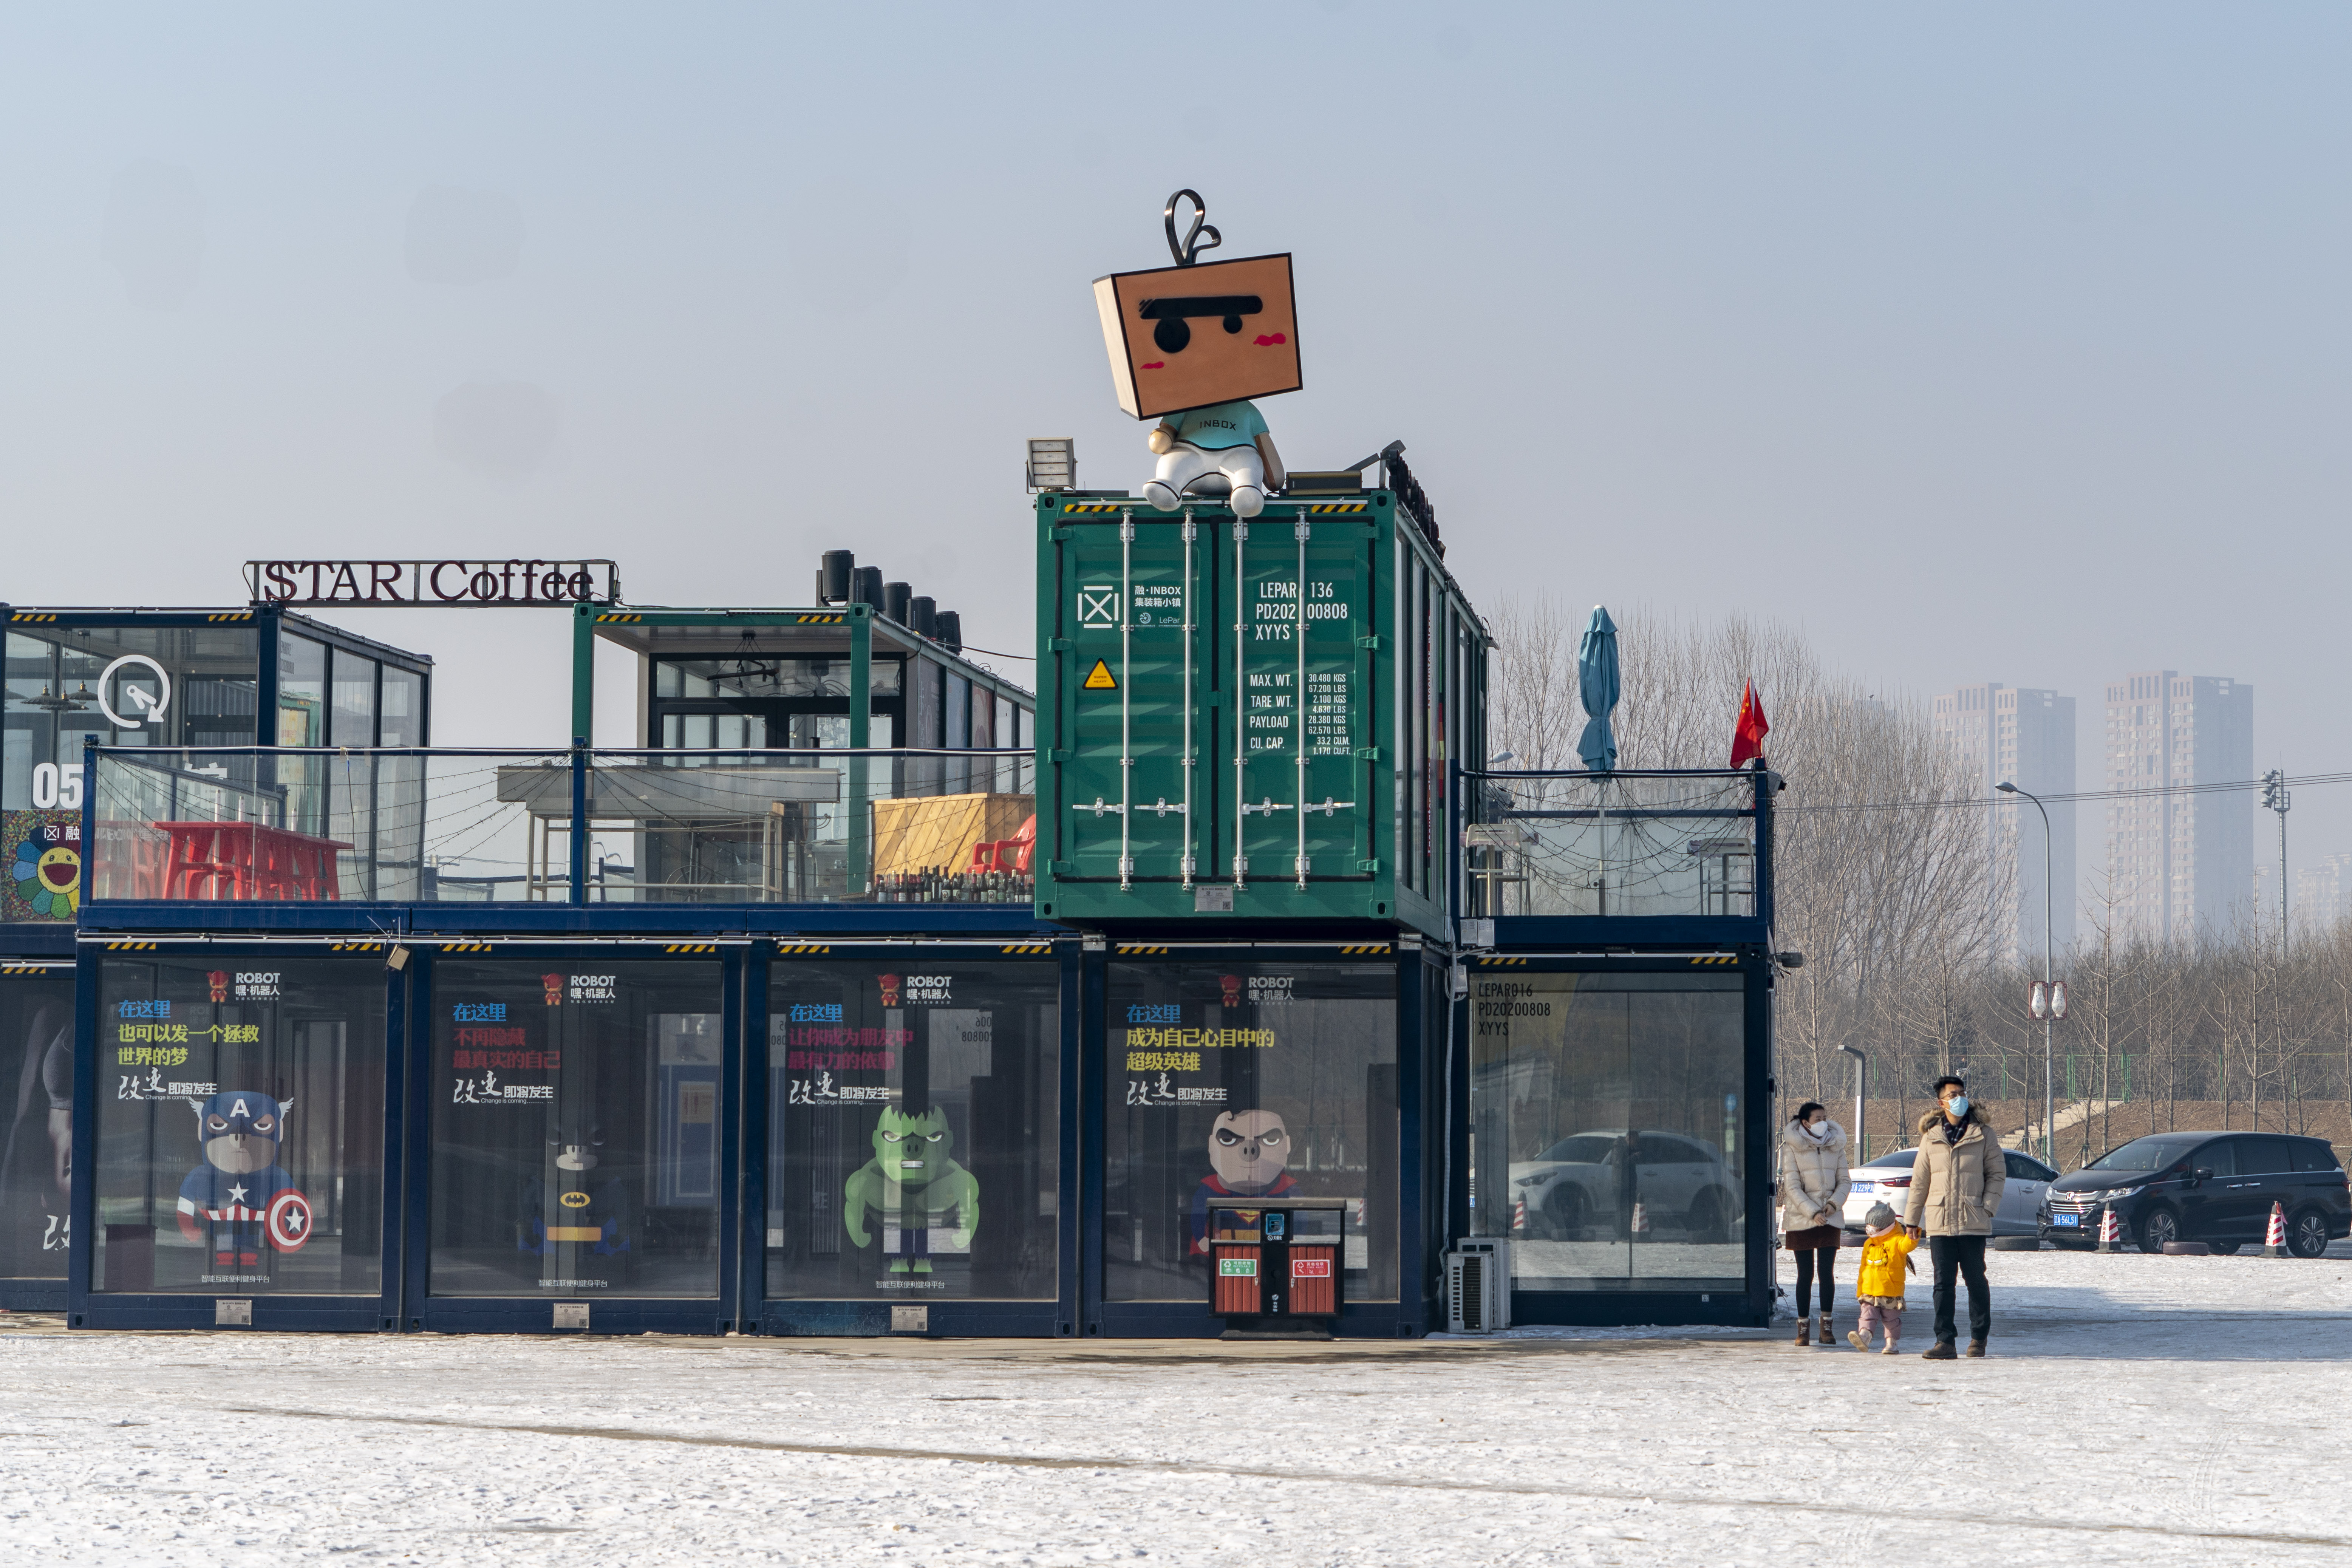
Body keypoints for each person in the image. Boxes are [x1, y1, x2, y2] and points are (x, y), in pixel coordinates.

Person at [1904, 1074, 2004, 1359]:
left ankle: (1978, 1338)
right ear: (1940, 1102)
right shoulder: (1931, 1137)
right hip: (1940, 1221)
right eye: (1952, 1095)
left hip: (1973, 1219)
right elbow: (1920, 1181)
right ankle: (1944, 1342)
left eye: (1961, 1093)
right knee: (1942, 1284)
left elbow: (1997, 1174)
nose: (1958, 1099)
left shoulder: (1983, 1133)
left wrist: (1987, 1207)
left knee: (1975, 1281)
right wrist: (1912, 1221)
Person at [1778, 1101, 1849, 1348]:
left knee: (1826, 1273)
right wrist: (1811, 1212)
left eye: (1825, 1118)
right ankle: (1803, 1329)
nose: (1823, 1122)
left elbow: (1844, 1181)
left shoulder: (1835, 1145)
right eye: (1818, 1119)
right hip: (1801, 1219)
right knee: (1804, 1274)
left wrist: (1832, 1205)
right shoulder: (1791, 1148)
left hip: (1830, 1217)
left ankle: (1826, 1328)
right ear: (1805, 1122)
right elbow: (1792, 1186)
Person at [1846, 1202, 1918, 1355]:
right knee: (1867, 1315)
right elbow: (1863, 1269)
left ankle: (1892, 1343)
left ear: (1886, 1228)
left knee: (1891, 1321)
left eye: (1874, 1226)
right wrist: (1860, 1289)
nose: (1869, 1229)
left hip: (1890, 1291)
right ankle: (1864, 1337)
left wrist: (1913, 1234)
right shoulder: (1869, 1244)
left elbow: (1908, 1245)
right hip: (1869, 1291)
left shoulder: (1897, 1242)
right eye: (1868, 1225)